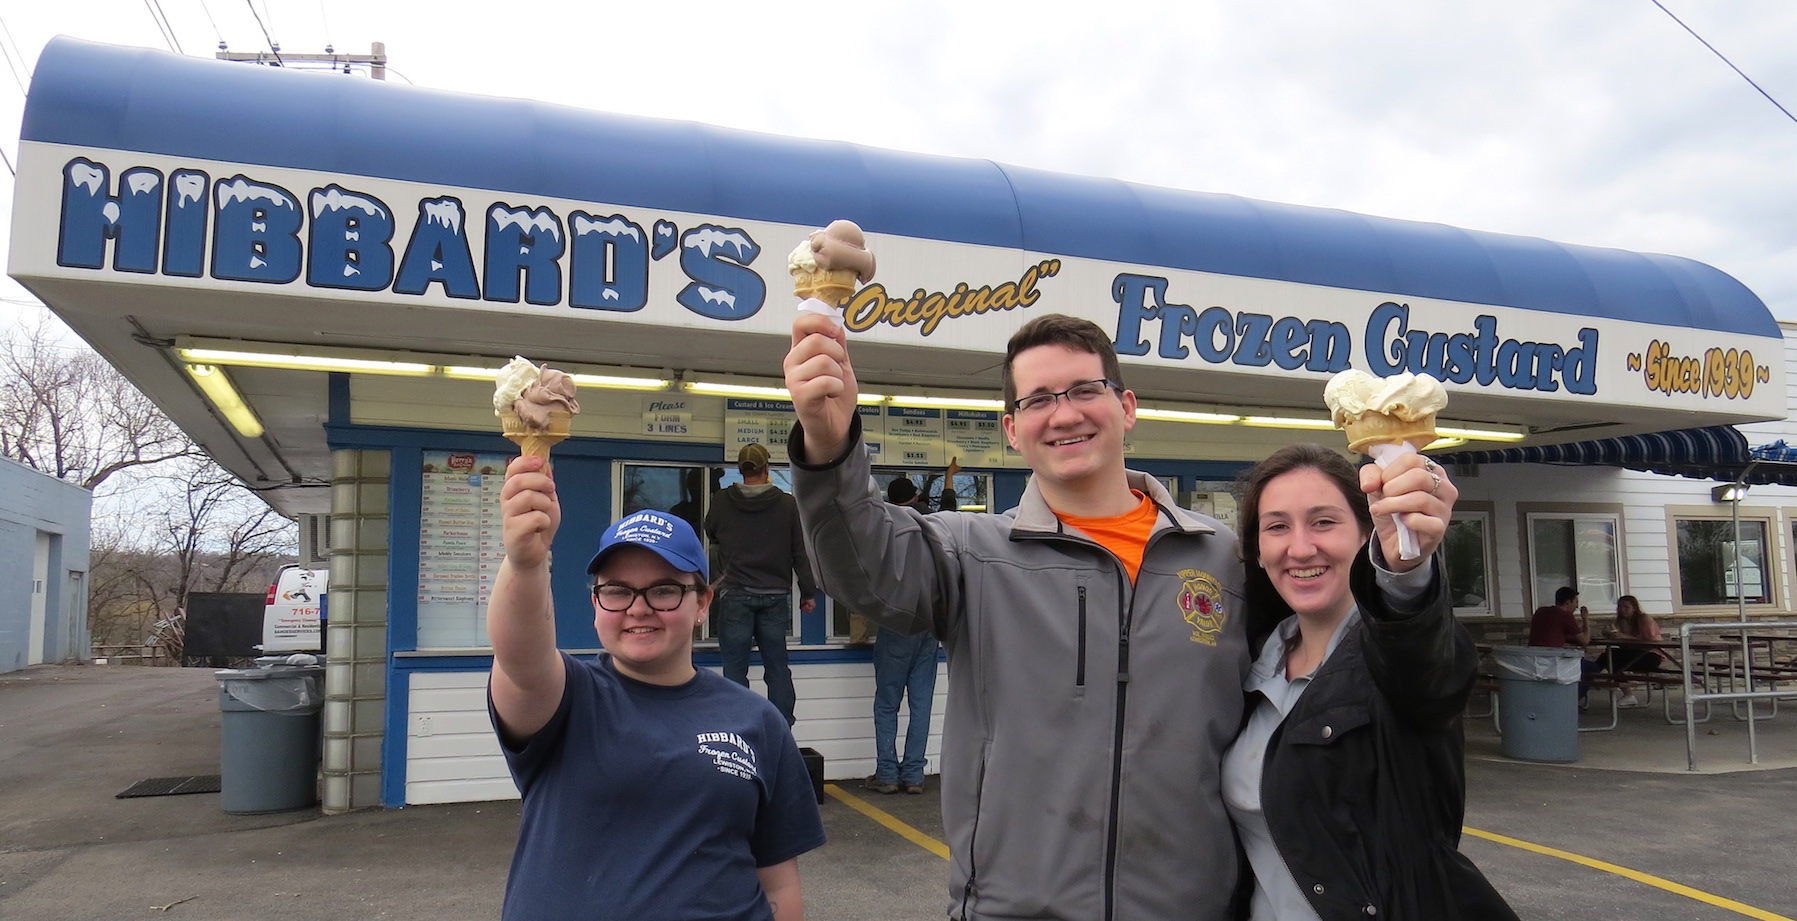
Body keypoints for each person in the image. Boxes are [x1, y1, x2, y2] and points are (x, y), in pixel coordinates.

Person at [785, 311, 1251, 920]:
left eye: (1085, 389)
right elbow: (861, 564)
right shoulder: (970, 553)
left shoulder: (1227, 558)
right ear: (1012, 428)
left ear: (1127, 406)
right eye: (1037, 400)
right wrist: (828, 443)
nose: (1064, 413)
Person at [486, 457, 825, 921]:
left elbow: (780, 885)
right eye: (618, 590)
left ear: (702, 603)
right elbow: (519, 657)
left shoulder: (758, 721)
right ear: (595, 603)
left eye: (664, 590)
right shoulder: (563, 698)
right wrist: (526, 562)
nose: (638, 609)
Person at [1223, 443, 1518, 920]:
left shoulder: (1397, 657)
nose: (1300, 548)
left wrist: (1406, 571)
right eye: (1277, 526)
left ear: (1367, 534)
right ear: (1258, 551)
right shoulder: (1247, 666)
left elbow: (1428, 663)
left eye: (1324, 522)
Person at [705, 442, 819, 727]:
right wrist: (808, 592)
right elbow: (799, 551)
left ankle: (737, 725)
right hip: (775, 596)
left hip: (735, 595)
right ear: (766, 469)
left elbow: (711, 531)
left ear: (741, 470)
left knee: (734, 667)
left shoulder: (721, 501)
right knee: (777, 667)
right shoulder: (787, 503)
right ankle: (782, 726)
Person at [862, 460, 958, 796]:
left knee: (887, 703)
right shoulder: (933, 523)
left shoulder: (885, 528)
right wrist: (947, 480)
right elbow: (951, 512)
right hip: (929, 625)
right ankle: (914, 775)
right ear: (915, 497)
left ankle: (888, 774)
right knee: (922, 702)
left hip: (896, 622)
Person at [1528, 586, 1601, 706]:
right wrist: (1586, 619)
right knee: (1592, 668)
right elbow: (1584, 641)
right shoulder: (1565, 616)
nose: (1576, 606)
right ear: (1568, 602)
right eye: (1575, 602)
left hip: (1535, 659)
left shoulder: (1540, 611)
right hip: (1553, 660)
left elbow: (1555, 633)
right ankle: (1570, 700)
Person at [1599, 594, 1664, 707]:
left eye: (1626, 607)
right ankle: (1626, 693)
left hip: (1650, 656)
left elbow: (1650, 640)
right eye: (1620, 607)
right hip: (1634, 654)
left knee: (1610, 657)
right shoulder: (1621, 622)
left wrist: (1623, 636)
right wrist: (1611, 636)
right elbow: (1626, 646)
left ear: (1634, 607)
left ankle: (1589, 675)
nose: (1622, 610)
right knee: (1609, 657)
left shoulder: (1644, 619)